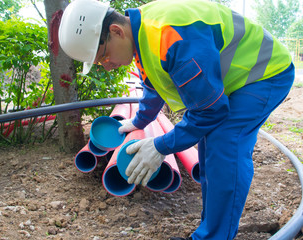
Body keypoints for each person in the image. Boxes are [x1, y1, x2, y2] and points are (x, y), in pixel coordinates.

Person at [58, 0, 295, 239]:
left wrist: (160, 146)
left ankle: (214, 236)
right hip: (235, 80)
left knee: (224, 145)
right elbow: (154, 85)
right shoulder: (141, 34)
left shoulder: (171, 37)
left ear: (116, 31)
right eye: (99, 63)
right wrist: (139, 122)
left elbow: (211, 111)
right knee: (209, 150)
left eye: (103, 56)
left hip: (263, 74)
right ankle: (212, 230)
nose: (106, 66)